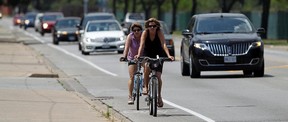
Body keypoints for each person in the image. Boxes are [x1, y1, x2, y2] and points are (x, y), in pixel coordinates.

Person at [135, 18, 174, 107]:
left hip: (158, 53)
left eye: (154, 26)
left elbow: (163, 44)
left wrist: (168, 55)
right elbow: (141, 45)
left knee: (158, 76)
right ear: (147, 27)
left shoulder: (159, 32)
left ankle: (159, 96)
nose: (152, 28)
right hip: (147, 52)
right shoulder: (145, 33)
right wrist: (138, 55)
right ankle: (146, 87)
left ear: (157, 27)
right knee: (146, 66)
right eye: (150, 26)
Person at [120, 23, 143, 105]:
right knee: (132, 77)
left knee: (148, 68)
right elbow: (126, 47)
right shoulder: (130, 36)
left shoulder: (143, 36)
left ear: (141, 30)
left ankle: (147, 86)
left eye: (138, 30)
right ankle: (130, 96)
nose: (136, 32)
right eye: (134, 30)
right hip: (132, 58)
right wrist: (124, 56)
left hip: (142, 57)